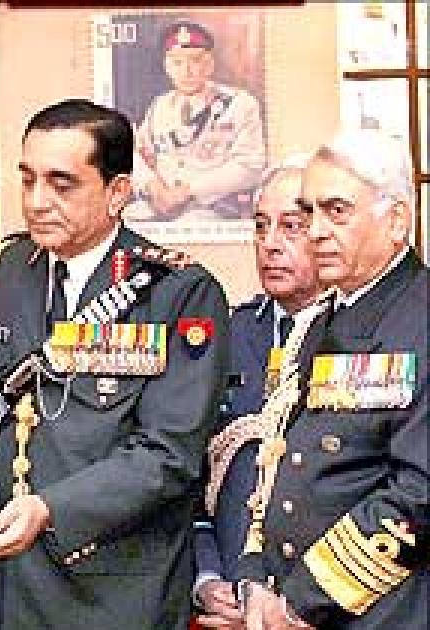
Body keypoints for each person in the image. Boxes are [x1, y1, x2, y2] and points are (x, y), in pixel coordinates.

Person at [0, 99, 230, 629]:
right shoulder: (7, 271)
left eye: (61, 184)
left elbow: (170, 453)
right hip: (11, 584)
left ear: (117, 192)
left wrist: (49, 508)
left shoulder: (177, 292)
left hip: (114, 588)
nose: (36, 201)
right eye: (28, 180)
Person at [234, 130, 427, 629]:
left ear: (396, 221)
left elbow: (420, 494)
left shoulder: (421, 317)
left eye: (336, 211)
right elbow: (278, 459)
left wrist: (301, 600)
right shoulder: (318, 321)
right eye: (310, 212)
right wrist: (255, 575)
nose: (316, 231)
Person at [193, 157, 322, 629]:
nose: (270, 243)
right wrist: (207, 578)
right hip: (231, 600)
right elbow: (190, 477)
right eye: (261, 226)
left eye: (291, 226)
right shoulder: (230, 335)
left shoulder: (358, 340)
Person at [131, 19, 265, 221]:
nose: (186, 71)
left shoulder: (239, 104)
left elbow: (250, 167)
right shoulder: (159, 106)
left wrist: (190, 190)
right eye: (177, 63)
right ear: (167, 67)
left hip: (213, 206)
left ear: (210, 64)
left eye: (195, 61)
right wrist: (153, 186)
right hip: (162, 204)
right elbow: (137, 154)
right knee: (127, 220)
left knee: (190, 223)